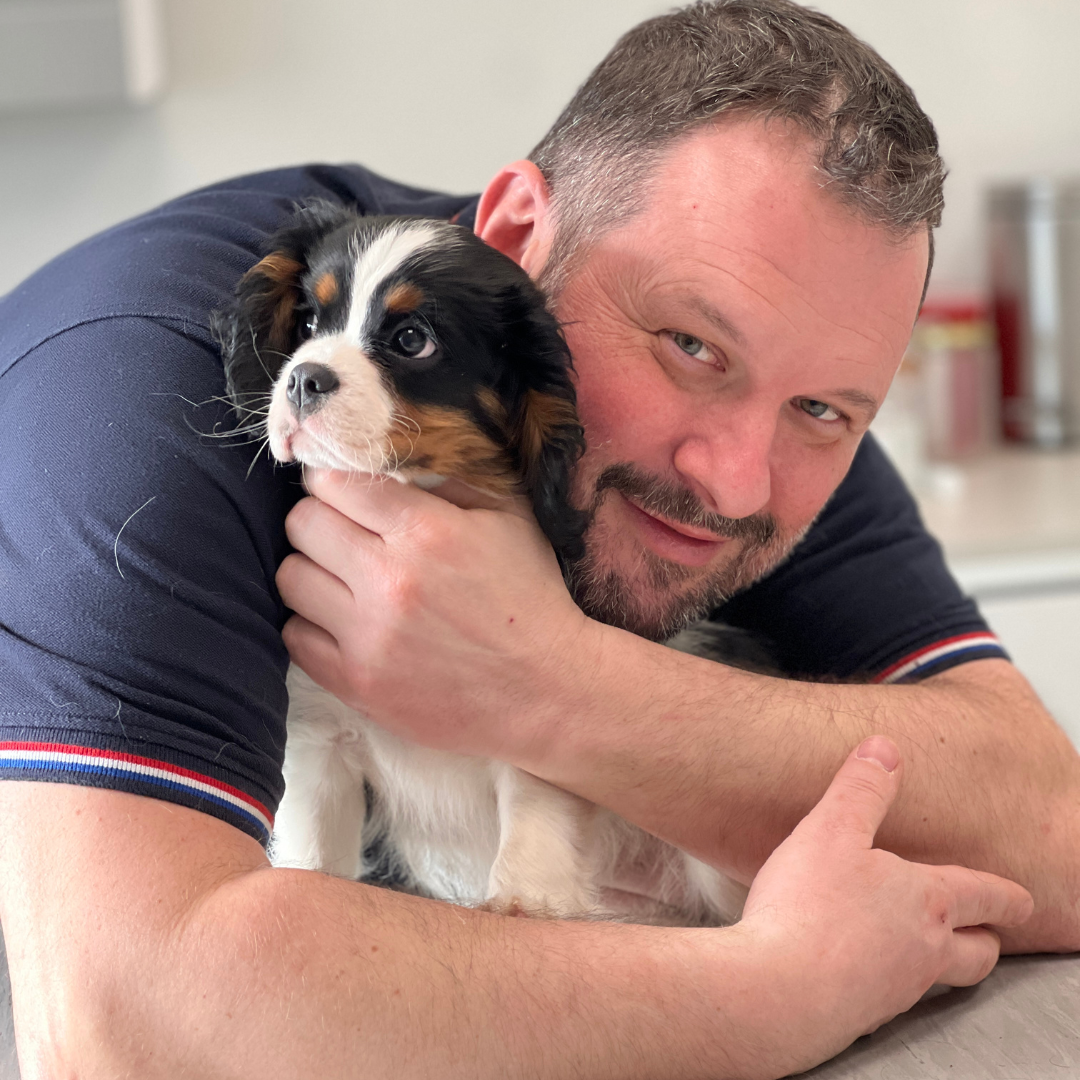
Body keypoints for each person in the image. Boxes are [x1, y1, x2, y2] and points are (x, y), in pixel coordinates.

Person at [0, 0, 1067, 1075]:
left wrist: (554, 684)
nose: (736, 480)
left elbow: (1055, 834)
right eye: (691, 347)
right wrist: (772, 991)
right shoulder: (128, 399)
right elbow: (117, 1029)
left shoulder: (768, 377)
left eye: (826, 411)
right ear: (515, 239)